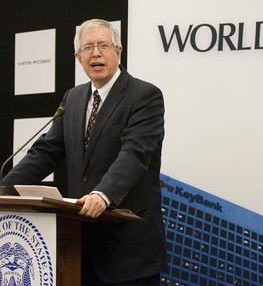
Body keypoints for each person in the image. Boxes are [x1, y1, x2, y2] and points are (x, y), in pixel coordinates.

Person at [3, 18, 167, 285]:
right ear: (78, 57)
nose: (96, 53)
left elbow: (134, 153)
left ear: (118, 51)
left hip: (129, 250)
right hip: (80, 246)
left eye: (104, 45)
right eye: (88, 47)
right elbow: (46, 152)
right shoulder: (73, 98)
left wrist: (103, 194)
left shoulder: (144, 96)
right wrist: (4, 188)